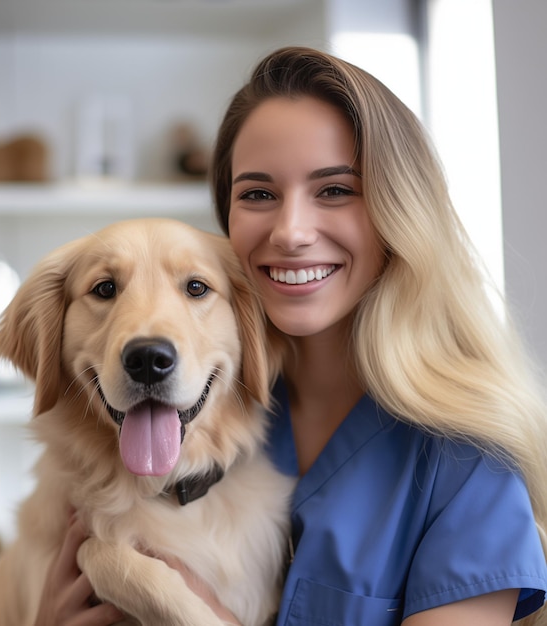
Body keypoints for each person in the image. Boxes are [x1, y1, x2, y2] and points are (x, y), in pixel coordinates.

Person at [35, 46, 547, 625]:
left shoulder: (467, 464)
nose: (291, 232)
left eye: (334, 190)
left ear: (398, 212)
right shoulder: (205, 405)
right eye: (258, 194)